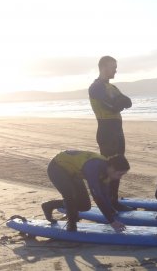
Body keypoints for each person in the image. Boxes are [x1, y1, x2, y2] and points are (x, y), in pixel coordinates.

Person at [41, 151, 130, 232]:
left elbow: (104, 195)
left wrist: (110, 210)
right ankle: (72, 224)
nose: (120, 177)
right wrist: (111, 221)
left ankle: (49, 205)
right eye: (120, 174)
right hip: (57, 168)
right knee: (70, 196)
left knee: (84, 206)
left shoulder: (106, 172)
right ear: (112, 168)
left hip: (74, 172)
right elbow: (97, 196)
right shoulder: (94, 167)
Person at [89, 56, 133, 211]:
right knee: (109, 168)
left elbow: (127, 102)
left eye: (115, 66)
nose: (115, 70)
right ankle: (107, 202)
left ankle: (114, 200)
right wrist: (119, 103)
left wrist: (119, 103)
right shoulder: (96, 87)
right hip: (106, 132)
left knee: (119, 167)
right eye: (113, 67)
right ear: (103, 68)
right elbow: (113, 106)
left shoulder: (112, 88)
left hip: (117, 132)